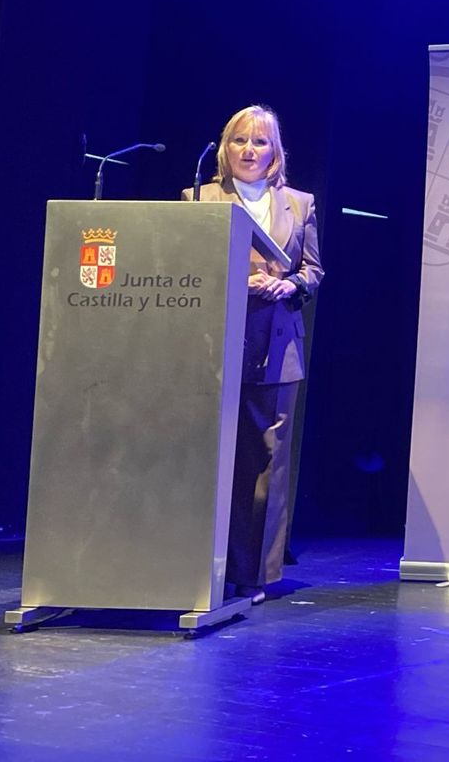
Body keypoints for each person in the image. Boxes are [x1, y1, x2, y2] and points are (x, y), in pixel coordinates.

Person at [182, 105, 323, 603]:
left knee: (267, 459)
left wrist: (288, 286)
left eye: (259, 142)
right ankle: (196, 567)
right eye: (239, 141)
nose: (248, 151)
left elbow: (313, 270)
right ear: (225, 148)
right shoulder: (198, 198)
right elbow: (185, 267)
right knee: (208, 455)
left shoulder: (299, 204)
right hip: (213, 341)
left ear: (274, 152)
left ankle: (254, 575)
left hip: (276, 344)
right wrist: (241, 282)